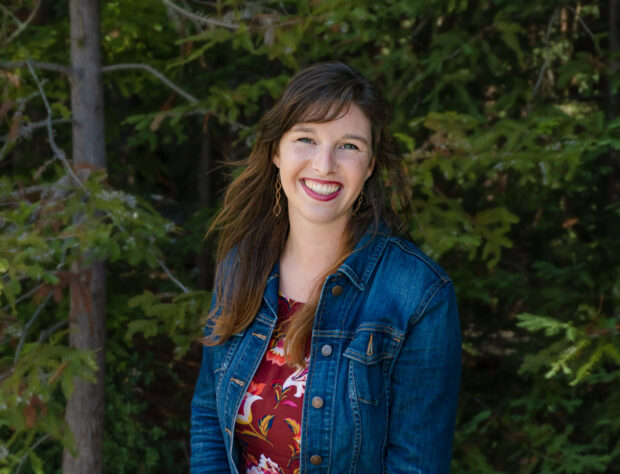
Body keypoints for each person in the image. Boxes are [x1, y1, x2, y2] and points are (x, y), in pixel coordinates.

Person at [190, 62, 461, 474]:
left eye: (349, 146)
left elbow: (416, 465)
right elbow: (210, 415)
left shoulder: (417, 295)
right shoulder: (242, 266)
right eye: (306, 139)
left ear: (370, 165)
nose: (324, 164)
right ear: (276, 152)